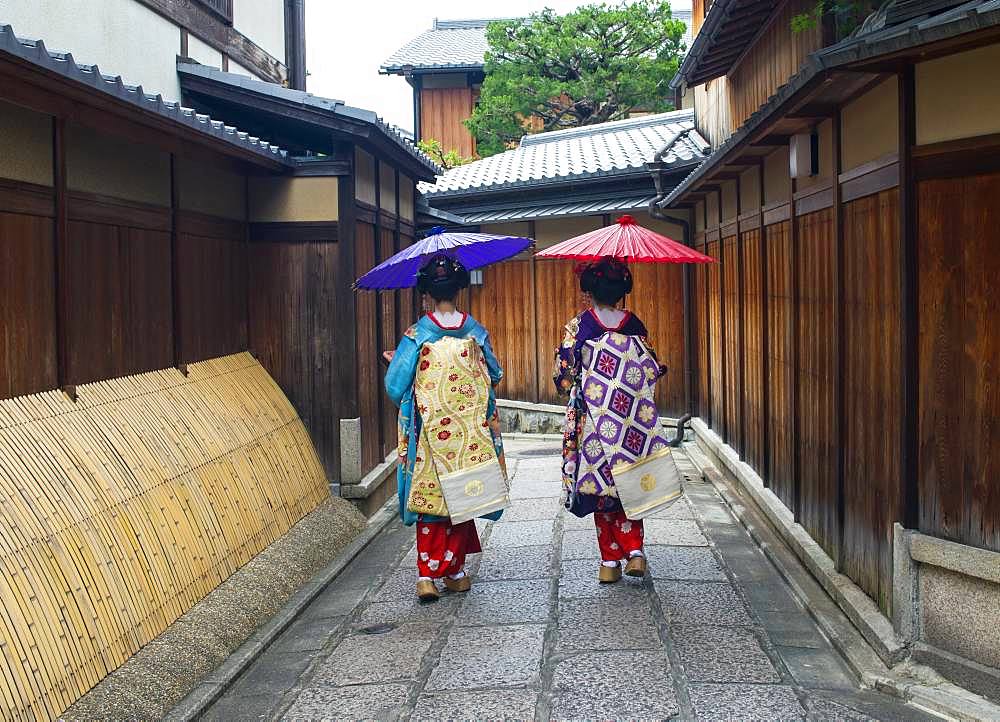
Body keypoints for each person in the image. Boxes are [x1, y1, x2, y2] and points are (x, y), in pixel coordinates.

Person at [385, 255, 506, 602]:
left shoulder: (417, 334)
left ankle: (427, 576)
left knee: (432, 498)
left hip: (431, 432)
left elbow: (395, 387)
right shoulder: (475, 331)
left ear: (426, 293)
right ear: (459, 289)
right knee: (461, 495)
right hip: (468, 432)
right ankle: (455, 571)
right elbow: (494, 374)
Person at [553, 257, 670, 583]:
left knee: (602, 487)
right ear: (622, 290)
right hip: (630, 420)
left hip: (594, 421)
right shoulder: (635, 326)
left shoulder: (579, 328)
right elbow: (651, 369)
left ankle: (609, 562)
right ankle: (634, 550)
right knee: (629, 482)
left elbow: (563, 378)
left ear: (588, 290)